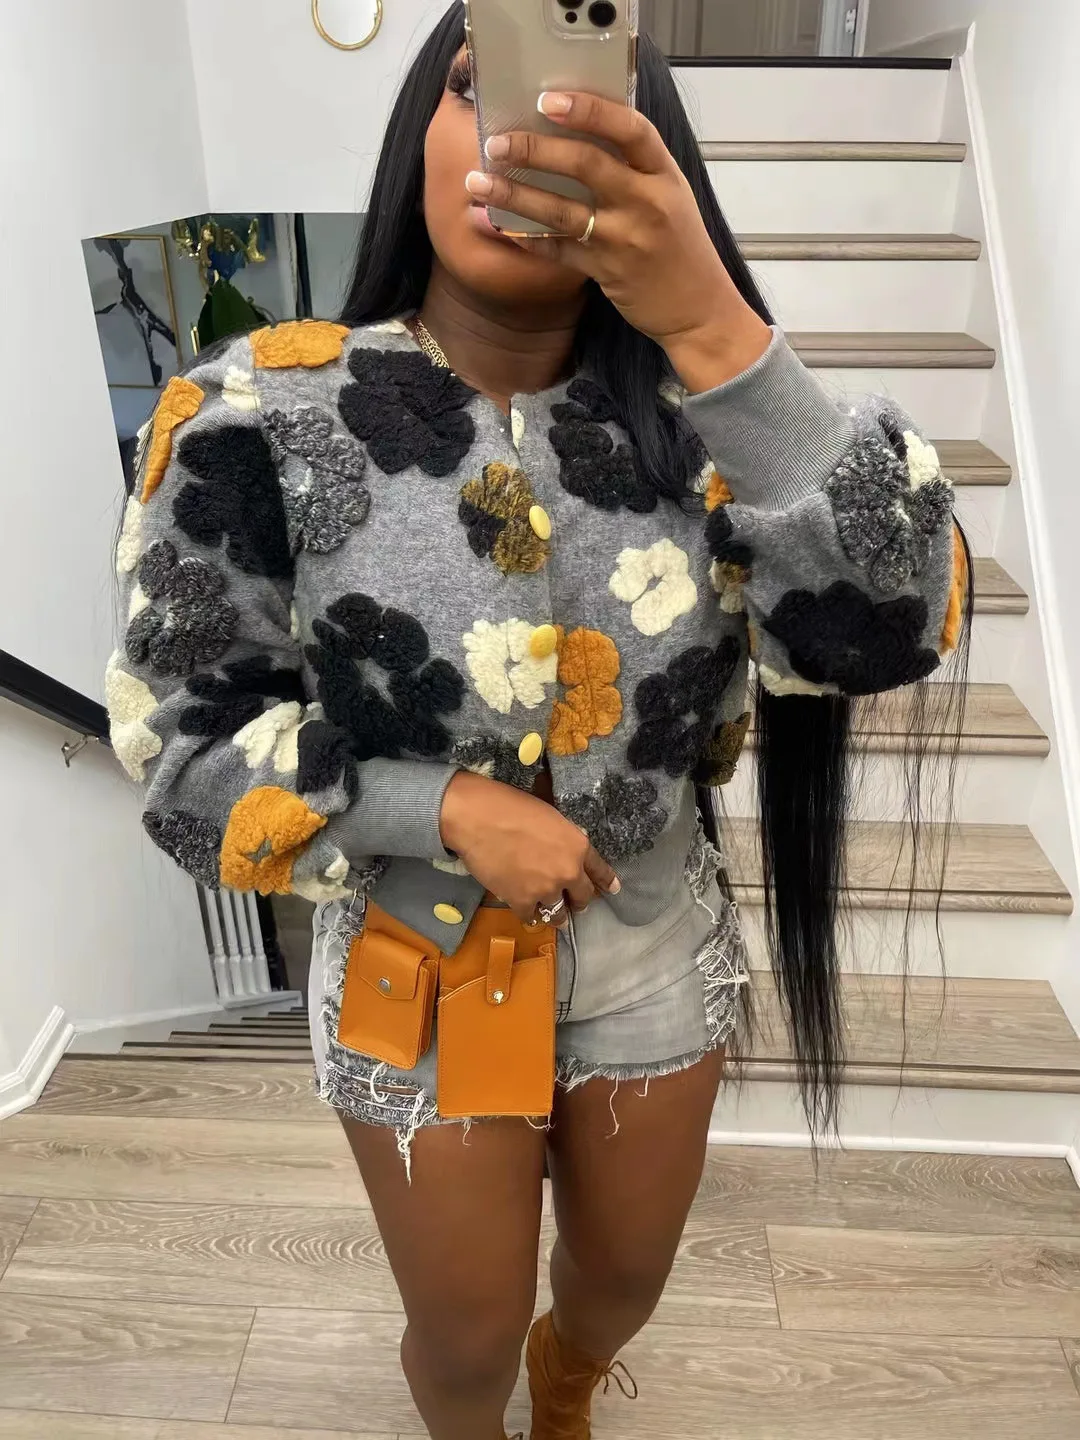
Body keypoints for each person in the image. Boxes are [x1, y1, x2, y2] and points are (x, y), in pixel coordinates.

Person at [106, 7, 970, 1439]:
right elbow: (184, 750)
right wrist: (433, 806)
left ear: (651, 156)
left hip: (651, 943)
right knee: (462, 1342)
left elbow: (896, 625)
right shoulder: (257, 413)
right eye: (475, 88)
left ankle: (570, 1385)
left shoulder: (718, 424)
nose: (518, 132)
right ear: (418, 135)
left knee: (621, 1284)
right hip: (413, 955)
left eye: (575, 104)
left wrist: (712, 322)